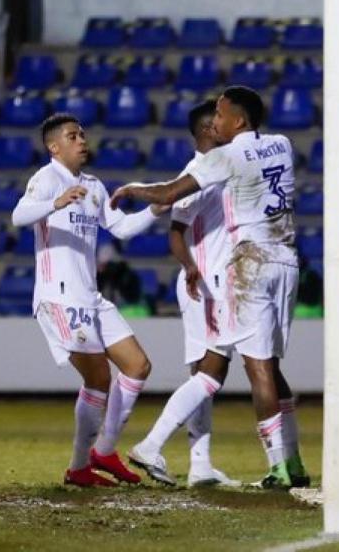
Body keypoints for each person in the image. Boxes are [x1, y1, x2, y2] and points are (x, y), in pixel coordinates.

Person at [111, 86, 310, 489]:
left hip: (247, 267)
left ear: (238, 120)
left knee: (248, 369)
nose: (215, 121)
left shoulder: (224, 157)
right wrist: (190, 266)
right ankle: (285, 462)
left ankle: (277, 466)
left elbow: (169, 194)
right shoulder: (282, 144)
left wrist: (133, 189)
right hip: (285, 261)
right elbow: (179, 225)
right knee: (244, 367)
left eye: (221, 114)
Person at [11, 113, 167, 487]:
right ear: (54, 147)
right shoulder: (46, 179)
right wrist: (55, 203)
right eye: (72, 136)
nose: (82, 140)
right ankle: (79, 467)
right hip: (60, 298)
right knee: (98, 377)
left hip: (91, 299)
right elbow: (18, 216)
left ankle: (104, 452)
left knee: (138, 366)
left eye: (82, 134)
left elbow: (121, 228)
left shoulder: (93, 186)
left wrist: (155, 210)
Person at [127, 99, 239, 488]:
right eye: (221, 121)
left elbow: (179, 227)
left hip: (204, 280)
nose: (228, 127)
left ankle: (200, 465)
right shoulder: (198, 171)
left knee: (202, 375)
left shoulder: (215, 168)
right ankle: (150, 444)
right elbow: (176, 231)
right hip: (207, 282)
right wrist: (192, 268)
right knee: (214, 372)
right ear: (209, 129)